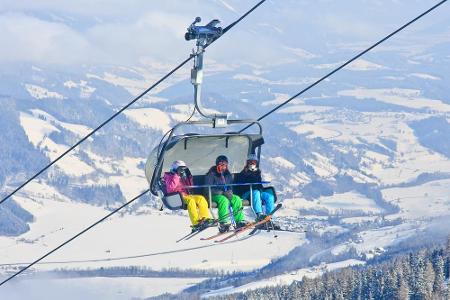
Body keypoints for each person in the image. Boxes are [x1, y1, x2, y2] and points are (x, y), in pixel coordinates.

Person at [163, 160, 212, 230]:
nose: (182, 171)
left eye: (183, 169)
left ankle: (205, 218)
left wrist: (189, 177)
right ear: (175, 169)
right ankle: (196, 223)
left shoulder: (182, 176)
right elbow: (170, 189)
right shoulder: (169, 176)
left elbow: (189, 186)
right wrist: (176, 175)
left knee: (201, 198)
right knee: (191, 201)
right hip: (176, 196)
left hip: (185, 195)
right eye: (181, 169)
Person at [205, 155, 246, 233]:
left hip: (225, 194)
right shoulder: (211, 174)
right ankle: (223, 222)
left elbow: (230, 187)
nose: (223, 166)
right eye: (221, 164)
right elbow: (207, 188)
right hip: (213, 195)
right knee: (224, 200)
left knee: (236, 198)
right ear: (217, 164)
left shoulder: (228, 175)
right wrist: (221, 193)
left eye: (225, 164)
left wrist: (230, 192)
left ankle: (239, 221)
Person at [235, 154, 277, 226]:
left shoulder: (257, 172)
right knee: (256, 192)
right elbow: (241, 185)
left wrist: (260, 188)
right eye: (250, 162)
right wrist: (247, 173)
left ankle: (269, 217)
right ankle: (259, 214)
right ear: (247, 163)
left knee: (269, 196)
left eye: (254, 162)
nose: (252, 164)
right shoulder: (243, 173)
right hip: (246, 193)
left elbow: (259, 184)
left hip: (256, 191)